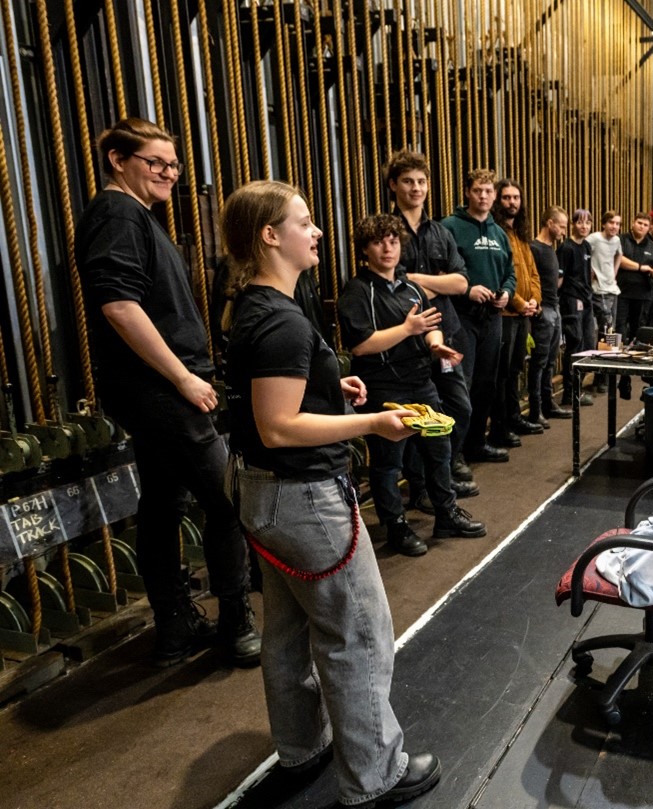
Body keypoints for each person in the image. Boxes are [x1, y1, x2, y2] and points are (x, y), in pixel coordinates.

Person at [222, 180, 440, 807]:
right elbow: (278, 425)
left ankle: (303, 749)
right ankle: (375, 774)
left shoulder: (256, 307)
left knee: (289, 634)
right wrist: (373, 423)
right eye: (305, 221)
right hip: (303, 499)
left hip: (262, 494)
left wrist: (329, 388)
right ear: (270, 236)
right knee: (358, 633)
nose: (317, 232)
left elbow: (278, 403)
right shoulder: (283, 321)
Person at [76, 117, 259, 668]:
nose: (168, 173)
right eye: (155, 162)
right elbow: (118, 306)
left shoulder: (136, 215)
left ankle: (176, 630)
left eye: (174, 165)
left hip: (155, 388)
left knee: (161, 505)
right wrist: (182, 376)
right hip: (160, 389)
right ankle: (235, 624)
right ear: (117, 158)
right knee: (228, 499)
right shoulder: (116, 213)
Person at [337, 214, 485, 553]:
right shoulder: (357, 291)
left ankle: (446, 515)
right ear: (364, 249)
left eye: (392, 240)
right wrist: (407, 329)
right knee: (389, 462)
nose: (387, 248)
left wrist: (435, 343)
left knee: (439, 449)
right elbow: (360, 344)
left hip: (422, 383)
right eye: (378, 242)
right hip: (385, 387)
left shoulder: (412, 286)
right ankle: (396, 526)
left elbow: (430, 322)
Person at [385, 148, 477, 493]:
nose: (416, 188)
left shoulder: (440, 232)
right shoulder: (388, 231)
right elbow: (389, 281)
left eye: (421, 181)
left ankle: (447, 468)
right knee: (417, 417)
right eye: (408, 181)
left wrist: (415, 279)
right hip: (406, 340)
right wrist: (436, 279)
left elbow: (461, 283)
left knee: (458, 406)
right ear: (394, 184)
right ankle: (425, 487)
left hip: (447, 332)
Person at [441, 169, 515, 463]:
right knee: (460, 385)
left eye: (488, 191)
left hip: (493, 318)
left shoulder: (499, 233)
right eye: (477, 191)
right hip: (461, 317)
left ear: (494, 195)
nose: (483, 196)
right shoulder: (450, 227)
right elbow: (441, 272)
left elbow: (510, 272)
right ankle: (453, 455)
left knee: (486, 384)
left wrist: (508, 292)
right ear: (467, 193)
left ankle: (476, 444)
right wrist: (468, 289)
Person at [490, 179, 545, 445]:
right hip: (506, 316)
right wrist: (520, 303)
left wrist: (534, 301)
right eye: (506, 197)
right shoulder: (495, 233)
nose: (512, 202)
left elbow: (533, 273)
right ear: (498, 201)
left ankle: (514, 417)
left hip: (524, 315)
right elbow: (500, 276)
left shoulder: (521, 234)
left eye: (516, 197)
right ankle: (500, 427)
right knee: (501, 376)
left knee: (514, 372)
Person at [530, 206, 572, 422]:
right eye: (562, 226)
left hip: (554, 308)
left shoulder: (551, 249)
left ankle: (548, 404)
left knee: (550, 362)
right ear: (550, 223)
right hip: (543, 310)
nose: (564, 231)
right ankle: (535, 410)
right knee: (539, 362)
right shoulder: (534, 248)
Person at [558, 208, 596, 408]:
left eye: (588, 223)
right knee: (575, 344)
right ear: (573, 224)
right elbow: (560, 279)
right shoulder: (566, 247)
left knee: (588, 345)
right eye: (580, 222)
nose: (584, 226)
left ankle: (578, 388)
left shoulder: (587, 246)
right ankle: (569, 393)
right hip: (572, 300)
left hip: (586, 299)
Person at [615, 212, 653, 342]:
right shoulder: (621, 240)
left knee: (638, 329)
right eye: (639, 223)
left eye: (645, 225)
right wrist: (639, 267)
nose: (642, 227)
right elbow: (619, 259)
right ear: (633, 223)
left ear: (649, 228)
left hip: (643, 294)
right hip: (622, 292)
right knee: (619, 327)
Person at [586, 210, 623, 340]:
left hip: (612, 288)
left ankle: (607, 354)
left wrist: (614, 272)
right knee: (606, 326)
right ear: (603, 224)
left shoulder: (617, 240)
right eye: (611, 222)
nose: (614, 226)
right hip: (599, 289)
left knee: (611, 327)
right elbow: (582, 253)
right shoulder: (594, 238)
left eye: (617, 224)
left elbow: (619, 254)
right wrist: (590, 272)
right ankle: (601, 354)